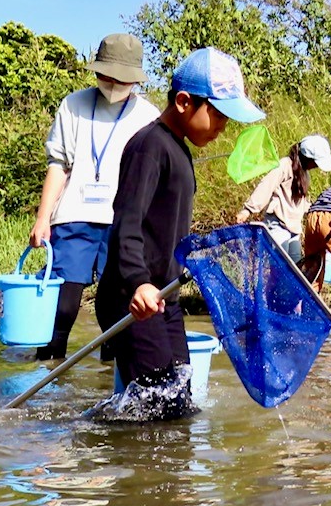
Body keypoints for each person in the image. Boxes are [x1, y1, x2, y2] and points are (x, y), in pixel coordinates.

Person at [93, 47, 266, 420]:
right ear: (185, 102)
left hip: (164, 297)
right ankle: (103, 449)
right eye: (219, 115)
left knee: (178, 403)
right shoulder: (149, 146)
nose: (223, 127)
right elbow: (127, 223)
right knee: (157, 408)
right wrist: (138, 283)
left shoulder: (179, 151)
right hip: (134, 297)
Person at [29, 33, 158, 360]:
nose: (113, 83)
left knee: (115, 314)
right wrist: (43, 219)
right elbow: (58, 163)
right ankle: (47, 385)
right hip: (74, 217)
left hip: (123, 224)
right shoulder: (73, 105)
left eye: (121, 78)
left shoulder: (149, 116)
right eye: (107, 76)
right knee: (63, 308)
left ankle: (107, 387)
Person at [234, 134, 331, 262]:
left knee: (296, 267)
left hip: (294, 227)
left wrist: (315, 209)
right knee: (279, 264)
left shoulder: (304, 174)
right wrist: (248, 210)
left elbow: (300, 202)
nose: (316, 166)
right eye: (315, 162)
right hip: (278, 224)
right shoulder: (284, 165)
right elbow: (266, 185)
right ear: (307, 157)